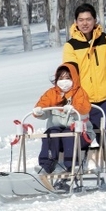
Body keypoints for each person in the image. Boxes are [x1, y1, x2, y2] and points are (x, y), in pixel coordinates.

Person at [62, 3, 106, 184]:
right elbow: (70, 71)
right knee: (80, 136)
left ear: (95, 21)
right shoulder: (71, 46)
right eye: (81, 20)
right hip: (82, 101)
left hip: (103, 99)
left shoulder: (104, 40)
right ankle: (73, 170)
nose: (85, 23)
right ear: (75, 22)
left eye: (88, 19)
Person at [33, 62, 92, 191]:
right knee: (50, 132)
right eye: (61, 78)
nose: (64, 82)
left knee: (68, 134)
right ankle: (47, 165)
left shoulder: (80, 93)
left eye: (67, 78)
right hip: (57, 133)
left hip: (79, 133)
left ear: (74, 79)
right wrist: (39, 111)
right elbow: (43, 106)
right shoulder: (51, 93)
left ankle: (72, 165)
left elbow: (84, 109)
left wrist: (74, 109)